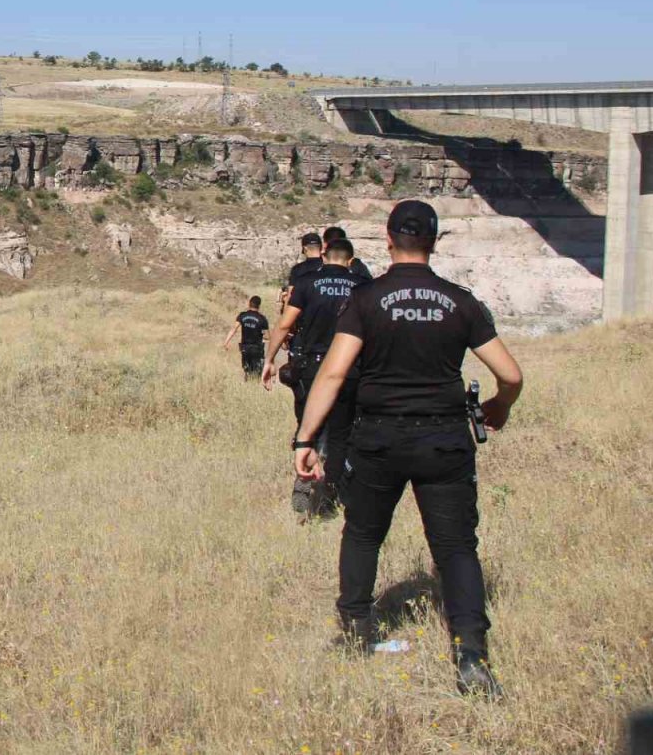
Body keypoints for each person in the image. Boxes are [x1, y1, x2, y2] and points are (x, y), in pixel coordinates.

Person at [292, 200, 523, 698]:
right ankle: (471, 655)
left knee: (363, 533)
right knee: (457, 548)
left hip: (378, 437)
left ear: (387, 237)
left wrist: (307, 439)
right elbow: (511, 373)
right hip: (444, 439)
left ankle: (356, 628)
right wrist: (500, 407)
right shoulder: (460, 301)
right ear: (435, 241)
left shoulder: (366, 299)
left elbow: (333, 374)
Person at [263, 238, 364, 515]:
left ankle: (304, 476)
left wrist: (269, 359)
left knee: (309, 424)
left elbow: (285, 323)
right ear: (351, 261)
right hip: (349, 368)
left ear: (324, 255)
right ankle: (329, 495)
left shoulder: (307, 283)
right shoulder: (362, 287)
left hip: (313, 366)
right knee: (341, 434)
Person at [222, 295, 270, 379]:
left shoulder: (242, 315)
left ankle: (247, 385)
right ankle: (253, 387)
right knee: (257, 373)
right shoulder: (262, 319)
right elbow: (267, 336)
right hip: (257, 349)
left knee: (247, 370)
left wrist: (226, 342)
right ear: (259, 305)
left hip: (244, 348)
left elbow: (234, 329)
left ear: (249, 304)